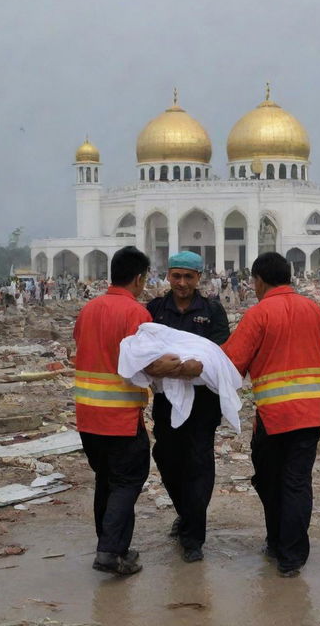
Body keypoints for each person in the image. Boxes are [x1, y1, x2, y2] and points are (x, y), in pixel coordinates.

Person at [222, 252, 320, 577]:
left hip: (274, 416)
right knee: (297, 482)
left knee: (271, 481)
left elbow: (232, 362)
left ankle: (277, 544)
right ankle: (292, 556)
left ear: (259, 280)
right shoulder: (313, 308)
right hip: (311, 413)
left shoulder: (258, 314)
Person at [74, 246, 181, 576]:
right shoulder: (136, 315)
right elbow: (149, 364)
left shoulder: (88, 310)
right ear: (139, 278)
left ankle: (112, 545)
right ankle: (110, 552)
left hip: (87, 415)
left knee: (105, 481)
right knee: (127, 481)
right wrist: (179, 365)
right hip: (119, 415)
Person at [146, 251, 230, 563]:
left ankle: (193, 537)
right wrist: (163, 368)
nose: (182, 283)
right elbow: (144, 348)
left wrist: (197, 365)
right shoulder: (156, 309)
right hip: (167, 400)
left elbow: (222, 350)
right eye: (176, 276)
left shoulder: (211, 310)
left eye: (188, 277)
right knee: (166, 457)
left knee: (199, 463)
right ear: (168, 276)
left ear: (199, 278)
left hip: (203, 402)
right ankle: (186, 512)